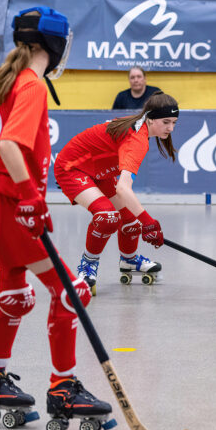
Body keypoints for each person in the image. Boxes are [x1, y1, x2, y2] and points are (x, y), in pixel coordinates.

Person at [0, 7, 111, 429]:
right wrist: (29, 196)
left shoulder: (11, 78)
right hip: (8, 203)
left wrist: (19, 194)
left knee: (16, 293)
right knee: (71, 291)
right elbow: (9, 145)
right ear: (54, 44)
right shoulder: (32, 84)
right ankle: (62, 387)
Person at [54, 92, 178, 295]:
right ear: (150, 118)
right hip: (72, 169)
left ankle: (129, 260)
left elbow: (122, 190)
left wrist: (143, 222)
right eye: (166, 122)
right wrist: (149, 223)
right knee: (108, 217)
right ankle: (88, 265)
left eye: (174, 122)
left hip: (98, 171)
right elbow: (123, 188)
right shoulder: (137, 139)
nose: (171, 128)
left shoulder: (139, 128)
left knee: (131, 221)